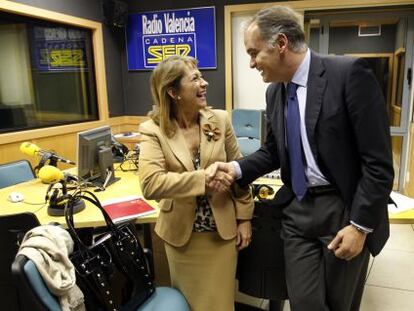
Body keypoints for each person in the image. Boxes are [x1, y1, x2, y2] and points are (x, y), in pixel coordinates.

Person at [214, 5, 394, 311]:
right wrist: (234, 168)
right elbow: (274, 151)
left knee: (338, 304)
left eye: (254, 52)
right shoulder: (275, 94)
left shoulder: (348, 75)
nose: (251, 63)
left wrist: (360, 226)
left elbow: (378, 164)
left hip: (343, 209)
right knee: (304, 303)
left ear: (281, 44)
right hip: (297, 210)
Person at [138, 55, 254, 311]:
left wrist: (245, 217)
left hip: (222, 234)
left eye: (201, 76)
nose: (205, 83)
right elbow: (150, 183)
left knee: (220, 304)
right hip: (182, 237)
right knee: (188, 304)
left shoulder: (220, 120)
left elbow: (240, 170)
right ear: (173, 91)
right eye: (195, 79)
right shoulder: (152, 130)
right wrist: (204, 180)